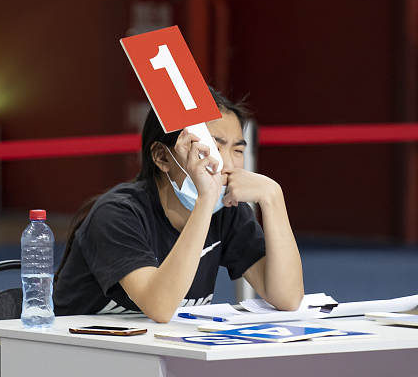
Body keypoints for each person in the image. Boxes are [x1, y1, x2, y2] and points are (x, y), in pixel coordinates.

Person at [53, 87, 304, 322]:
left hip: (161, 347)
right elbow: (160, 307)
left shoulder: (227, 212)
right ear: (163, 157)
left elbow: (288, 298)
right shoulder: (117, 214)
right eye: (214, 148)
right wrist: (205, 200)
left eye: (237, 151)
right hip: (80, 348)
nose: (228, 165)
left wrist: (273, 198)